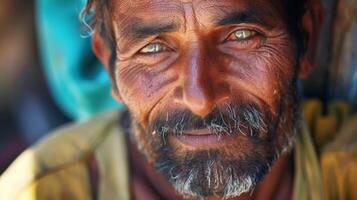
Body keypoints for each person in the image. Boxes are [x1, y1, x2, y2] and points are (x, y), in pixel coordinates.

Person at [2, 0, 346, 199]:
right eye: (153, 48)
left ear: (306, 38)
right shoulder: (41, 191)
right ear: (108, 63)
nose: (200, 99)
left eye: (241, 36)